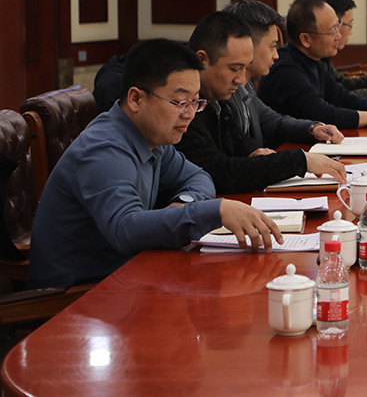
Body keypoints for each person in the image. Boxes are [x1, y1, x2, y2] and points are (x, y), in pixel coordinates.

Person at [30, 39, 283, 289]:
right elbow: (125, 229)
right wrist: (215, 211)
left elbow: (199, 177)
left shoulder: (152, 138)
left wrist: (183, 204)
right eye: (180, 102)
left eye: (195, 102)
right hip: (79, 295)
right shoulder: (104, 150)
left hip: (129, 275)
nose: (190, 114)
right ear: (136, 99)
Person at [176, 12, 348, 195]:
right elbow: (221, 172)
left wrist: (254, 152)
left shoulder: (216, 100)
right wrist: (299, 160)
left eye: (245, 68)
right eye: (234, 69)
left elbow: (239, 141)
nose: (241, 80)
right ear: (201, 60)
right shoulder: (182, 109)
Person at [258, 0, 367, 130]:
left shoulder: (312, 59)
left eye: (338, 27)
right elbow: (325, 115)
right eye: (332, 31)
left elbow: (341, 96)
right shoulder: (286, 70)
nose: (338, 36)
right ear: (306, 39)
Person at [221, 0, 346, 151]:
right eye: (273, 46)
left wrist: (313, 128)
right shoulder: (222, 95)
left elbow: (274, 121)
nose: (276, 55)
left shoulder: (245, 87)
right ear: (247, 45)